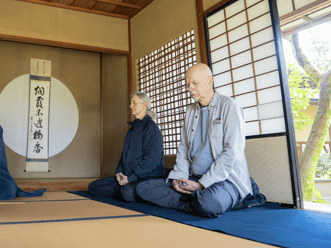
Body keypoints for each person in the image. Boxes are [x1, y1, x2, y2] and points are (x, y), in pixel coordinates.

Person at [136, 63, 265, 217]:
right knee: (142, 189)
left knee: (208, 204)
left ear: (210, 80)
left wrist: (202, 185)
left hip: (225, 181)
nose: (190, 88)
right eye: (188, 84)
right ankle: (194, 200)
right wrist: (178, 179)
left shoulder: (229, 106)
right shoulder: (190, 111)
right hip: (194, 177)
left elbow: (232, 152)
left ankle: (201, 199)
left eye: (195, 83)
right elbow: (183, 150)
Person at [88, 91, 166, 202]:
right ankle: (125, 189)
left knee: (127, 193)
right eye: (131, 103)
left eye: (134, 103)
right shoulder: (131, 130)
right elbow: (123, 156)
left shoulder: (151, 129)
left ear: (145, 104)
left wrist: (131, 178)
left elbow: (152, 161)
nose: (130, 106)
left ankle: (127, 190)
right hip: (128, 176)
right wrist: (119, 173)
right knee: (93, 187)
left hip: (147, 177)